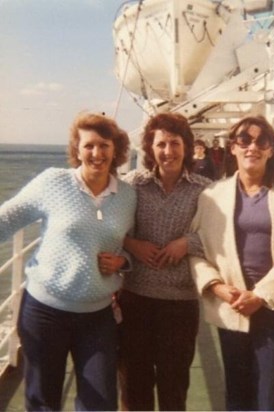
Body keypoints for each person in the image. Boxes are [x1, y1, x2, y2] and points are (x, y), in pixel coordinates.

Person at [0, 112, 136, 411]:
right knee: (43, 401)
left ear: (116, 150)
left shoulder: (127, 196)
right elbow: (8, 217)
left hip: (97, 316)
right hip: (45, 312)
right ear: (76, 149)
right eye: (88, 146)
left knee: (100, 402)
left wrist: (122, 262)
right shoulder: (53, 182)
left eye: (104, 145)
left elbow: (127, 247)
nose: (96, 153)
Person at [190, 115, 274, 411]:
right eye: (244, 140)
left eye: (263, 141)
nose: (253, 147)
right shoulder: (212, 196)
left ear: (272, 149)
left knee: (269, 399)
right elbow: (196, 248)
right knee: (237, 395)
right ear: (232, 148)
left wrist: (261, 295)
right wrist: (216, 286)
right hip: (232, 306)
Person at [119, 112, 211, 411]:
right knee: (136, 382)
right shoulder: (133, 184)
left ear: (186, 146)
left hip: (180, 302)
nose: (168, 151)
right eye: (160, 144)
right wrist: (134, 244)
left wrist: (187, 243)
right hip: (135, 298)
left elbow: (217, 237)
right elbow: (112, 229)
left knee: (174, 384)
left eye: (175, 143)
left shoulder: (204, 190)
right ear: (150, 147)